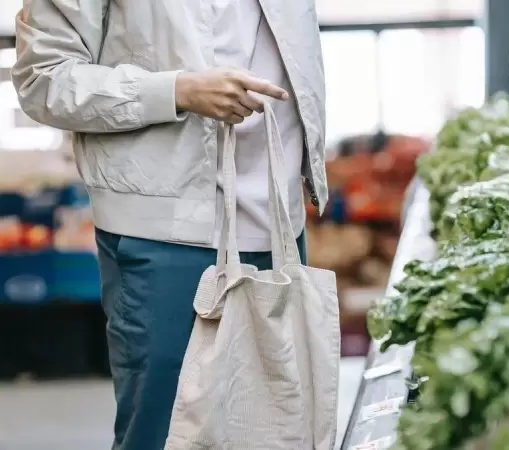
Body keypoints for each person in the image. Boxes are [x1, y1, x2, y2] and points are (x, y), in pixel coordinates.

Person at [12, 1, 328, 449]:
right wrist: (175, 91)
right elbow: (43, 77)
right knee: (163, 434)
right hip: (164, 231)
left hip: (279, 224)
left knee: (276, 433)